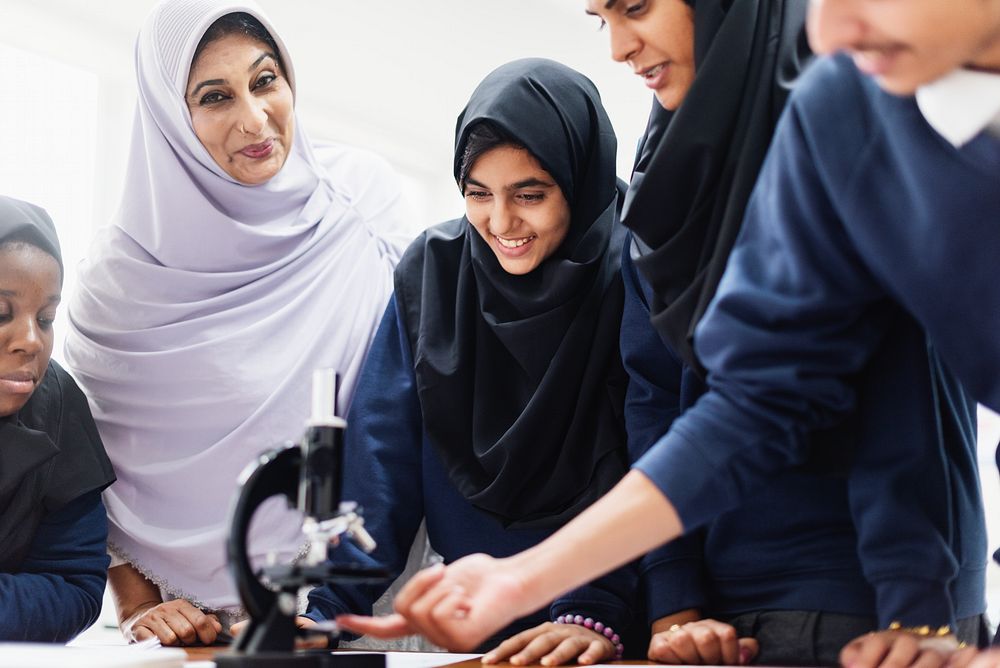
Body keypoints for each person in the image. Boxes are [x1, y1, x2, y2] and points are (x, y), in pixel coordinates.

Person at [336, 2, 1000, 667]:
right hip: (744, 594)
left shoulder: (845, 96)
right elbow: (751, 403)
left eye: (637, 6)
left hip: (864, 584)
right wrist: (528, 579)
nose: (824, 29)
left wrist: (921, 606)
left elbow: (899, 388)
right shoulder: (838, 104)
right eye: (603, 17)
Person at [64, 0, 411, 646]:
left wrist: (327, 601)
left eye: (264, 80)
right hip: (191, 629)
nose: (254, 119)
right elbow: (88, 468)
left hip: (353, 601)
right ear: (170, 117)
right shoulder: (117, 285)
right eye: (215, 97)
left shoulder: (364, 205)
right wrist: (139, 606)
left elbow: (407, 410)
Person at [295, 58, 640, 658]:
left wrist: (593, 608)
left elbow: (649, 455)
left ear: (580, 181)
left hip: (603, 626)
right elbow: (382, 455)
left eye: (529, 195)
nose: (501, 223)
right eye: (477, 195)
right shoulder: (435, 272)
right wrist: (324, 609)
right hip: (473, 628)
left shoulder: (633, 265)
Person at [0, 195, 116, 642]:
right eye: (0, 313)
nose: (31, 341)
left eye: (46, 318)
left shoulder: (58, 403)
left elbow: (75, 585)